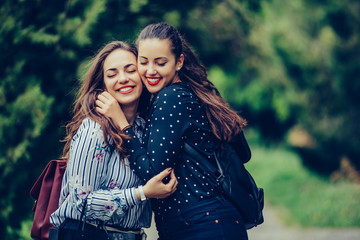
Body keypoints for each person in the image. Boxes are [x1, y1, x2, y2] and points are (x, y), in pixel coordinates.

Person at [96, 23, 249, 240]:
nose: (150, 71)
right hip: (201, 224)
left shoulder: (172, 98)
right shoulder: (180, 94)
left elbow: (155, 176)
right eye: (143, 62)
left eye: (160, 63)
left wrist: (122, 123)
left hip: (203, 226)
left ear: (179, 62)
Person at [50, 40, 178, 240]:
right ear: (103, 84)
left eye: (130, 70)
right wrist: (142, 192)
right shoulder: (96, 128)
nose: (123, 79)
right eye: (112, 74)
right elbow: (80, 202)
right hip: (87, 234)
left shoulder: (144, 129)